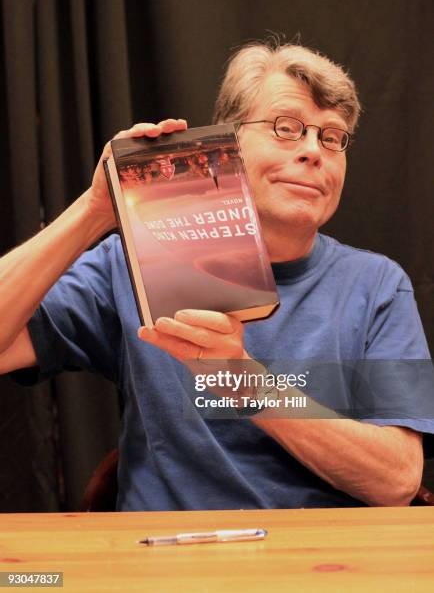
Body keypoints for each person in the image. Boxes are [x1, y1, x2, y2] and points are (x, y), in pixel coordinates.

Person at [0, 41, 432, 510]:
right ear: (227, 141)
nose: (313, 151)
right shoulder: (138, 262)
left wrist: (243, 381)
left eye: (332, 137)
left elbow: (397, 481)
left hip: (317, 567)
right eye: (286, 128)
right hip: (163, 562)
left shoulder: (378, 286)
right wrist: (94, 211)